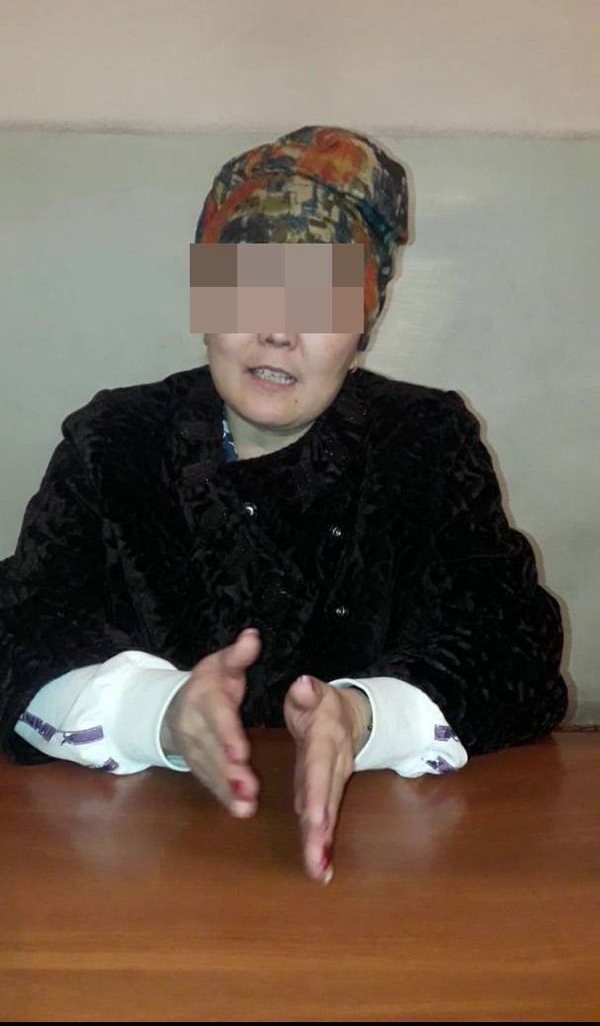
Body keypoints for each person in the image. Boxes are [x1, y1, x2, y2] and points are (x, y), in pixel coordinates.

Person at [0, 125, 567, 884]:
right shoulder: (114, 442)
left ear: (362, 328)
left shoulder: (426, 442)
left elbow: (518, 649)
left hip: (384, 872)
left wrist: (363, 716)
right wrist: (160, 711)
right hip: (140, 866)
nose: (276, 330)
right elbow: (22, 629)